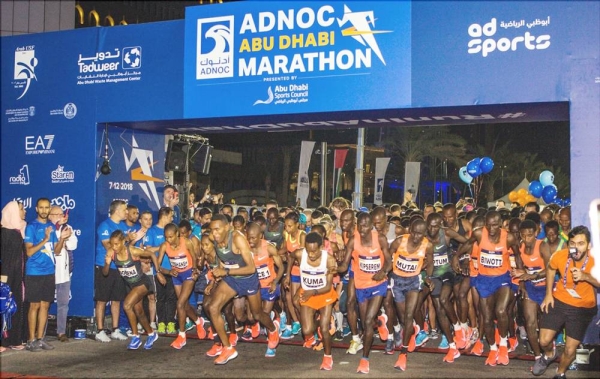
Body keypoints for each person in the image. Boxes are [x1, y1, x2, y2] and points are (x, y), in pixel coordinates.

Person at [206, 214, 280, 364]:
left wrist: (225, 271)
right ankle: (228, 348)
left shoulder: (237, 239)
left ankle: (272, 329)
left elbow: (251, 268)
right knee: (212, 307)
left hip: (248, 280)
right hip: (232, 280)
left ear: (227, 227)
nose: (214, 233)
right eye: (212, 230)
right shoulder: (215, 240)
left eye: (217, 229)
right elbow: (222, 261)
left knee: (257, 315)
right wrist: (217, 275)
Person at [454, 211, 521, 366]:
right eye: (488, 224)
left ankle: (503, 345)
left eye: (495, 225)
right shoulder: (478, 233)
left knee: (501, 310)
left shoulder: (509, 237)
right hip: (484, 279)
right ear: (485, 223)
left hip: (502, 278)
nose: (491, 228)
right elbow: (468, 244)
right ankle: (492, 349)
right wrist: (456, 256)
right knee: (487, 316)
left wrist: (520, 274)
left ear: (500, 224)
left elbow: (517, 255)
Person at [532, 226, 599, 379]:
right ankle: (549, 354)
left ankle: (560, 373)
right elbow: (550, 269)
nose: (576, 247)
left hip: (582, 308)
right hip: (559, 301)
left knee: (569, 350)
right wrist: (548, 294)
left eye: (581, 243)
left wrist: (586, 276)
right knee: (543, 341)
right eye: (572, 243)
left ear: (588, 245)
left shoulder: (596, 260)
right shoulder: (560, 256)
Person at [338, 212, 391, 374]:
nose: (362, 228)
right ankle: (379, 323)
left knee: (367, 321)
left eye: (366, 225)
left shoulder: (379, 238)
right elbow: (344, 265)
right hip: (361, 285)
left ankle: (364, 359)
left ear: (371, 226)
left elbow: (389, 260)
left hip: (378, 283)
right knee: (365, 321)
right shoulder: (354, 240)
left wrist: (383, 271)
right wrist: (333, 267)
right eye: (360, 225)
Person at [103, 230, 166, 350]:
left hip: (142, 282)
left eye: (116, 244)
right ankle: (151, 334)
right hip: (130, 285)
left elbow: (151, 255)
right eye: (112, 244)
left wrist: (158, 272)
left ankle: (135, 336)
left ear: (123, 242)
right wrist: (107, 263)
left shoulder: (132, 250)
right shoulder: (111, 253)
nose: (114, 247)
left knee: (127, 306)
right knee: (139, 311)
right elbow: (105, 273)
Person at [24, 198, 71, 352]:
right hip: (34, 272)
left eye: (47, 208)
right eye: (41, 208)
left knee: (45, 306)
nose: (44, 211)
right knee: (34, 306)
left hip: (49, 272)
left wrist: (62, 239)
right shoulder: (31, 227)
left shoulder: (51, 227)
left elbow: (56, 251)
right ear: (37, 209)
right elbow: (29, 252)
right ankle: (30, 340)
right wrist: (45, 238)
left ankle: (40, 339)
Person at [288, 232, 338, 371]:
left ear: (321, 247)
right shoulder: (300, 254)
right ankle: (318, 323)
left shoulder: (329, 260)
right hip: (308, 293)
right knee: (307, 329)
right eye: (308, 250)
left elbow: (328, 286)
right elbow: (290, 257)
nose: (310, 254)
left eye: (314, 251)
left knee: (324, 328)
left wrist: (312, 292)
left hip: (324, 294)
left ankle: (328, 357)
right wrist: (287, 275)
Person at [387, 219, 433, 372]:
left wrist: (428, 277)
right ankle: (410, 330)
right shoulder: (400, 241)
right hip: (397, 282)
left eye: (420, 233)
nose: (415, 236)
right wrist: (385, 270)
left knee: (408, 315)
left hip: (414, 281)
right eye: (413, 231)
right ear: (410, 229)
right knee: (402, 317)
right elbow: (387, 255)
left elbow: (431, 262)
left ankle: (403, 354)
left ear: (424, 234)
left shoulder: (427, 245)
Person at [156, 223, 207, 349]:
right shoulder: (164, 246)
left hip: (188, 274)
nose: (169, 240)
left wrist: (195, 270)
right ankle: (198, 321)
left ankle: (182, 335)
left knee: (179, 304)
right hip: (176, 276)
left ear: (177, 234)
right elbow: (158, 265)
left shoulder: (187, 242)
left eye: (171, 237)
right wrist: (167, 272)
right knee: (184, 305)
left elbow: (194, 257)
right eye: (166, 237)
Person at [94, 200, 135, 342]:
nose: (127, 212)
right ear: (117, 211)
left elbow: (124, 248)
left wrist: (131, 241)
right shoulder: (104, 226)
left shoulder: (123, 226)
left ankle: (115, 329)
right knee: (102, 299)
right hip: (105, 266)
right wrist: (123, 244)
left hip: (119, 268)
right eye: (124, 210)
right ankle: (99, 330)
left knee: (116, 299)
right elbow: (109, 247)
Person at [512, 220, 551, 360]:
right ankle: (537, 356)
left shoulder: (543, 246)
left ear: (535, 233)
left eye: (530, 235)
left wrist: (533, 275)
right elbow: (521, 269)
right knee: (530, 322)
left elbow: (550, 269)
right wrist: (522, 283)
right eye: (523, 235)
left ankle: (548, 352)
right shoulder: (520, 246)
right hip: (531, 288)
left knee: (545, 324)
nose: (527, 238)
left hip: (546, 288)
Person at [47, 206, 78, 342]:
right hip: (47, 272)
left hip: (64, 273)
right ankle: (40, 334)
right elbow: (53, 247)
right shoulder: (47, 227)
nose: (60, 216)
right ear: (49, 215)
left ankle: (61, 332)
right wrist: (61, 238)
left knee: (63, 304)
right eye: (56, 214)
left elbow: (73, 245)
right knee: (44, 304)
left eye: (61, 214)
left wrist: (64, 238)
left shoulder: (67, 227)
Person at [145, 206, 177, 334]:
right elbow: (148, 250)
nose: (172, 218)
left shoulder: (172, 230)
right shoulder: (152, 231)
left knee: (171, 297)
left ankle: (170, 322)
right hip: (159, 270)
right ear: (164, 216)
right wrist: (162, 247)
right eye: (170, 216)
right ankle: (161, 323)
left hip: (173, 269)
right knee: (161, 298)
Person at [1, 201, 27, 351]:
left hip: (17, 277)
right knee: (3, 306)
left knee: (15, 306)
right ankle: (2, 341)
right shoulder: (4, 233)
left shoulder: (19, 231)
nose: (24, 212)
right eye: (21, 209)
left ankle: (14, 338)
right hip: (6, 278)